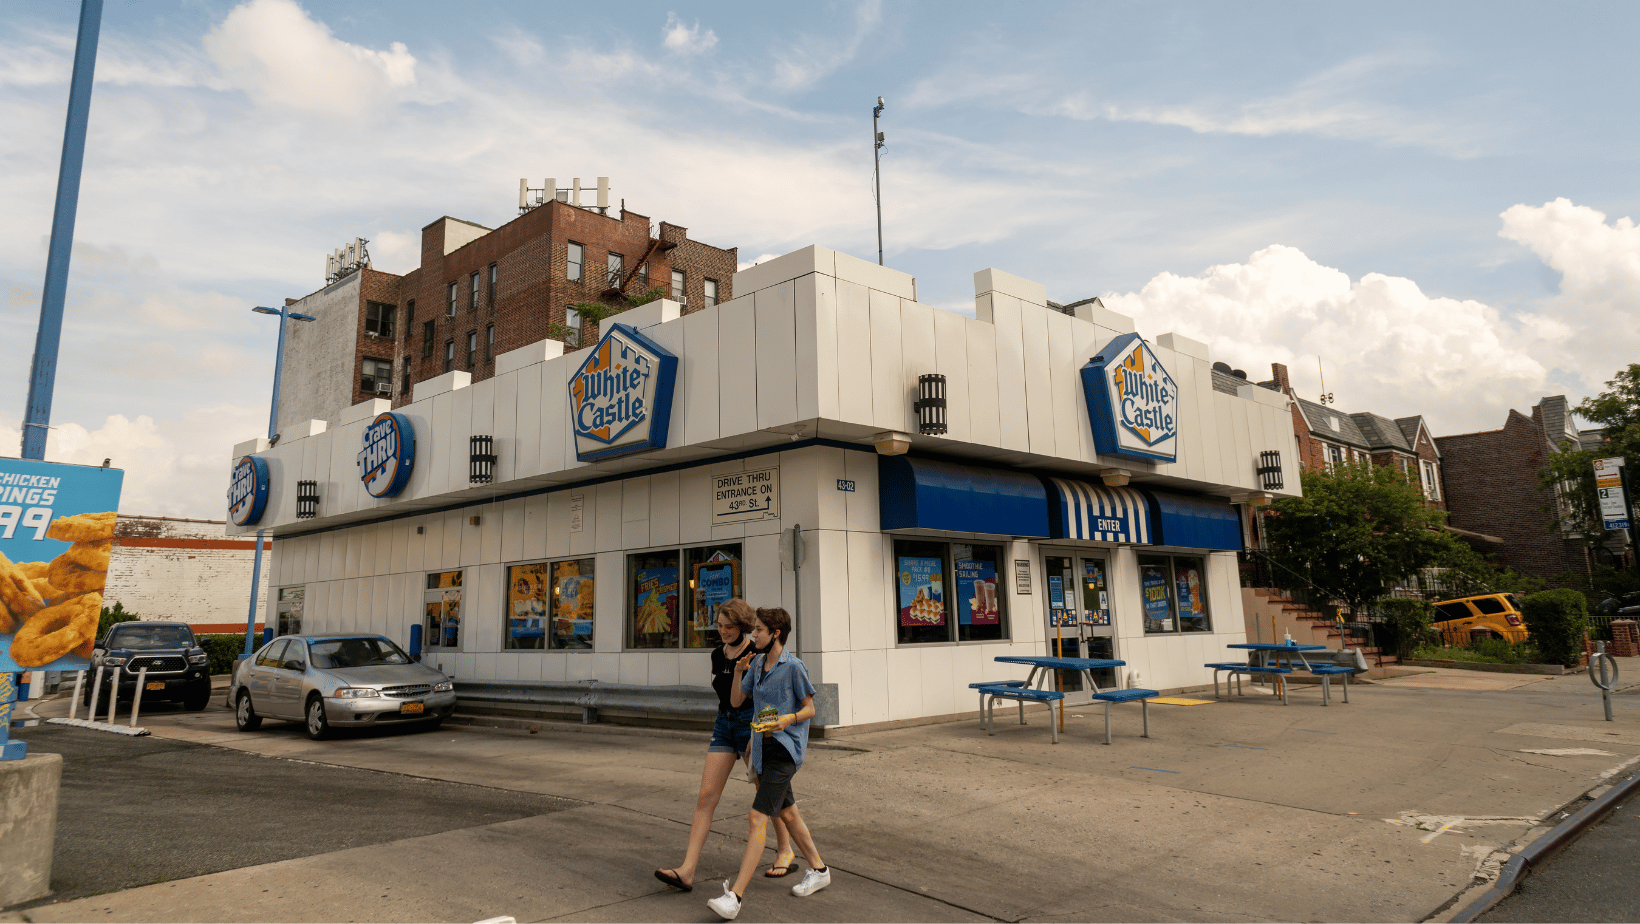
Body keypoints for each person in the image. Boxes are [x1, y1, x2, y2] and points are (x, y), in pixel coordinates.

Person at [655, 599, 795, 893]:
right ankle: (687, 870)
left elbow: (764, 694)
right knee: (706, 796)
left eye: (728, 627)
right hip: (724, 725)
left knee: (767, 795)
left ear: (742, 626)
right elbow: (726, 695)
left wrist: (758, 735)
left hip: (750, 724)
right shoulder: (718, 655)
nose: (722, 631)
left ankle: (785, 850)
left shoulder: (757, 652)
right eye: (719, 626)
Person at [706, 606, 829, 921]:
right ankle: (819, 869)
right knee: (788, 812)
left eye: (759, 629)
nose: (754, 634)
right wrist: (737, 672)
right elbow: (735, 702)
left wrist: (789, 718)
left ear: (775, 633)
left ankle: (734, 897)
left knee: (756, 818)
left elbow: (810, 708)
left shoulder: (793, 667)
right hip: (761, 749)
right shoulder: (757, 663)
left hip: (785, 750)